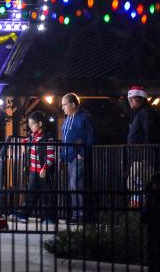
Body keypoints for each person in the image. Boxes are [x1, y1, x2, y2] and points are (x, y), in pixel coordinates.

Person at [12, 111, 57, 224]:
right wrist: (23, 142)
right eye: (29, 124)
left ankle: (49, 217)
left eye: (32, 124)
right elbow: (27, 140)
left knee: (46, 195)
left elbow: (51, 156)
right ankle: (23, 215)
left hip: (43, 171)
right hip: (33, 170)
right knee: (31, 194)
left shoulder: (48, 138)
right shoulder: (33, 136)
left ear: (40, 123)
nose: (30, 126)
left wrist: (44, 168)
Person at [60, 93, 96, 223]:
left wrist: (82, 153)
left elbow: (90, 137)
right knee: (73, 186)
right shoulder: (68, 118)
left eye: (64, 105)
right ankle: (76, 214)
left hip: (77, 156)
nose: (62, 107)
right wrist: (62, 157)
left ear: (73, 104)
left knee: (76, 185)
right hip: (69, 157)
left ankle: (80, 215)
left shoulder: (84, 117)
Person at [126, 86, 160, 206]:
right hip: (138, 157)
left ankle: (141, 208)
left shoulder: (146, 113)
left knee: (138, 183)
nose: (130, 100)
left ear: (141, 99)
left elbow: (150, 135)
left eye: (133, 98)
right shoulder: (140, 113)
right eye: (129, 98)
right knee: (135, 183)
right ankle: (139, 207)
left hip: (142, 158)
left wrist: (146, 156)